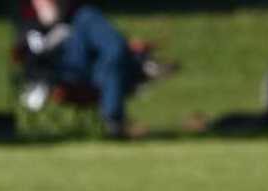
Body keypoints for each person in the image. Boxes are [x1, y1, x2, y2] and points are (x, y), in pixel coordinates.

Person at [15, 1, 176, 138]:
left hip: (88, 60)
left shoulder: (81, 16)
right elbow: (48, 20)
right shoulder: (30, 21)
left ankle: (135, 67)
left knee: (106, 41)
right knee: (115, 52)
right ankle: (138, 66)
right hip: (65, 67)